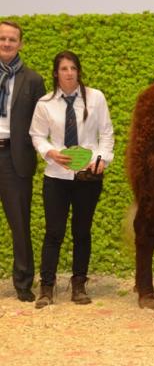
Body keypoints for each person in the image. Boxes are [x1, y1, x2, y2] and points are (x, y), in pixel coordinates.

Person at [29, 50, 114, 308]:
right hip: (56, 176)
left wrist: (100, 161)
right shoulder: (45, 104)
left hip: (87, 177)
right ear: (56, 73)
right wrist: (50, 152)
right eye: (64, 68)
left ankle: (79, 285)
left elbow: (107, 134)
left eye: (73, 68)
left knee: (82, 232)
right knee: (54, 232)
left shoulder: (96, 98)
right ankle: (47, 287)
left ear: (79, 71)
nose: (69, 73)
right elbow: (37, 135)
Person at [0, 20, 46, 302]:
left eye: (12, 39)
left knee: (20, 223)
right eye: (2, 38)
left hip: (13, 159)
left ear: (20, 44)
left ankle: (23, 283)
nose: (6, 43)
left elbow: (41, 124)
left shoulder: (33, 80)